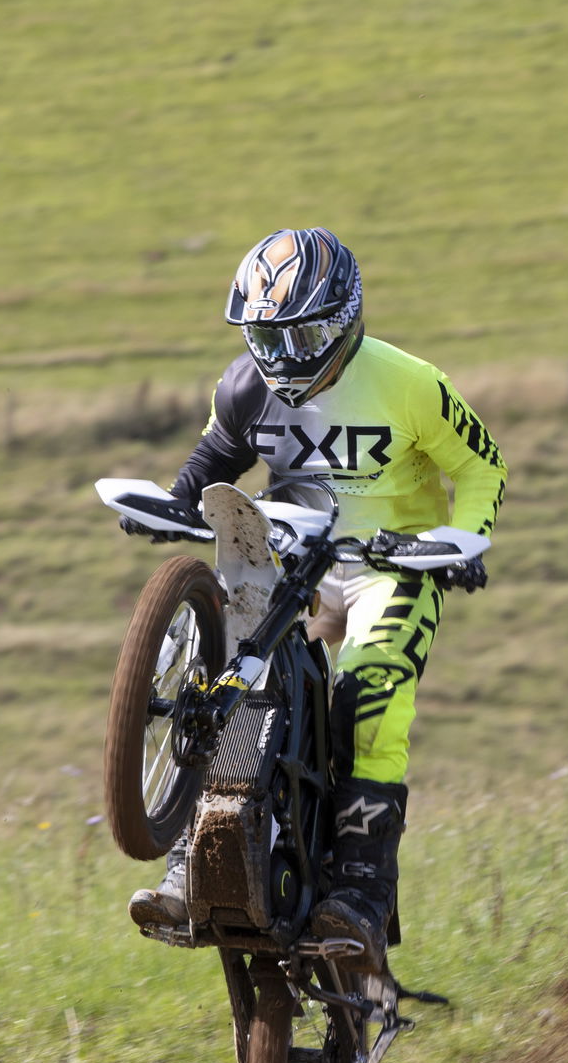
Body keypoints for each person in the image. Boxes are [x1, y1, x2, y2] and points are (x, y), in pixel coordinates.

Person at [124, 226, 507, 972]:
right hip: (292, 554)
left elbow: (484, 465)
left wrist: (468, 540)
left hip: (388, 560)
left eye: (299, 335)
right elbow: (212, 460)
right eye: (264, 335)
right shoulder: (241, 385)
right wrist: (171, 505)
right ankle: (187, 859)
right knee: (236, 681)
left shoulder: (410, 384)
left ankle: (361, 890)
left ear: (342, 319)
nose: (282, 355)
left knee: (371, 688)